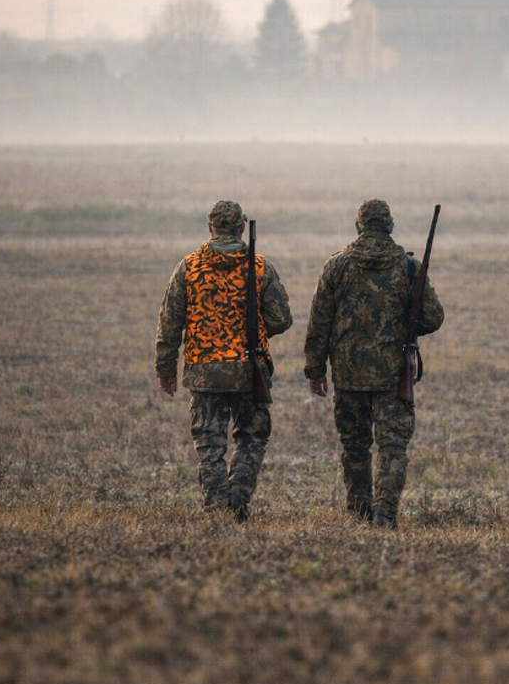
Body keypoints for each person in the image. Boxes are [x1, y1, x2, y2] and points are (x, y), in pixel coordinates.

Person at [304, 198, 444, 529]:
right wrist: (407, 325)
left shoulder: (336, 265)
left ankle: (359, 511)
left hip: (348, 374)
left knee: (355, 447)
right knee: (392, 447)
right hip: (393, 374)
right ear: (390, 226)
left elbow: (319, 323)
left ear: (359, 226)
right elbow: (433, 317)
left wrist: (315, 370)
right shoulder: (409, 268)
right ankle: (384, 514)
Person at [155, 200, 292, 522]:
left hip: (204, 372)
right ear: (242, 228)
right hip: (248, 370)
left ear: (210, 228)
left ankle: (217, 509)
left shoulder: (188, 268)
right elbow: (281, 319)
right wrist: (254, 330)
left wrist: (165, 369)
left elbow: (170, 324)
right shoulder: (259, 267)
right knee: (251, 438)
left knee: (209, 445)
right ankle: (237, 500)